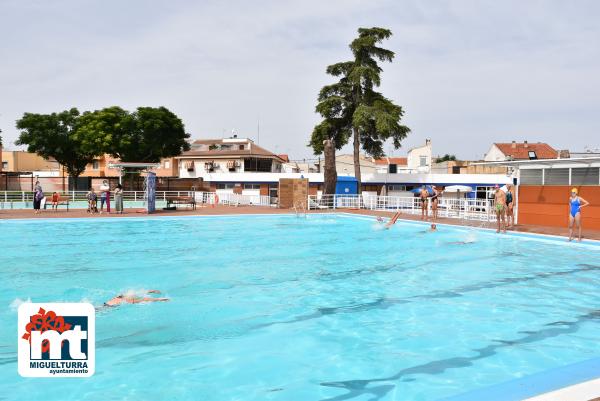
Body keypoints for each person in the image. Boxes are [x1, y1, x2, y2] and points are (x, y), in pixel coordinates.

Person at [103, 290, 169, 307]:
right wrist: (159, 299)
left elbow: (139, 293)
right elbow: (145, 300)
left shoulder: (118, 296)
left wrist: (151, 291)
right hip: (108, 308)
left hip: (104, 305)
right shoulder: (128, 300)